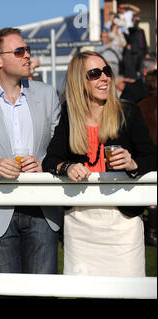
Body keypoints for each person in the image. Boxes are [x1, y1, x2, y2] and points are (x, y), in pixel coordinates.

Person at [42, 51, 156, 276]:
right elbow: (50, 160)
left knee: (127, 292)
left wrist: (133, 164)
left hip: (122, 222)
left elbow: (152, 157)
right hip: (80, 221)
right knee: (85, 292)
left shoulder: (127, 112)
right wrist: (67, 167)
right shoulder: (69, 116)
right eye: (95, 73)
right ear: (79, 82)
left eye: (107, 71)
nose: (104, 77)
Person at [0, 27, 62, 276]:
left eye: (27, 50)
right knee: (3, 294)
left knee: (42, 293)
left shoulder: (47, 94)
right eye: (19, 51)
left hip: (42, 208)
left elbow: (59, 145)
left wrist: (44, 164)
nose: (27, 55)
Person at [138, 69, 157, 247]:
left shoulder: (141, 106)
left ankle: (151, 231)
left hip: (148, 154)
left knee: (152, 197)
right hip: (150, 154)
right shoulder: (141, 106)